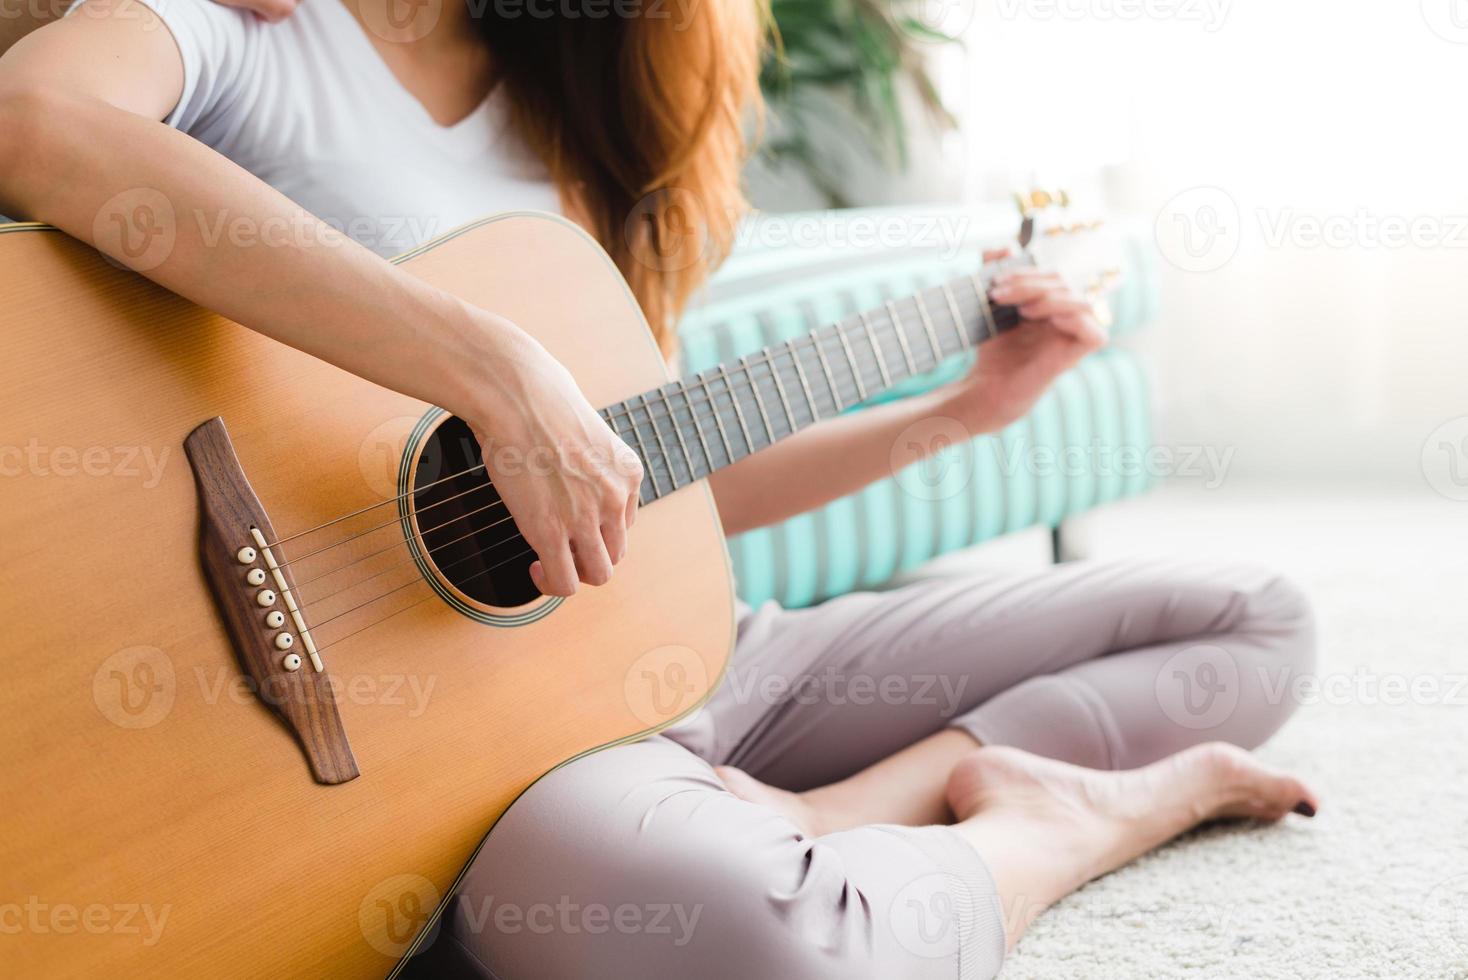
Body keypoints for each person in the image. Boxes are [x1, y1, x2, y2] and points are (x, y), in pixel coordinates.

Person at [0, 3, 1318, 976]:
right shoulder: (247, 25)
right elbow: (34, 119)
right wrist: (494, 368)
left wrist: (961, 411)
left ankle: (845, 809)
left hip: (642, 677)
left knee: (1254, 622)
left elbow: (641, 491)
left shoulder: (590, 133)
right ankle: (1043, 834)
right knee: (765, 944)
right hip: (474, 777)